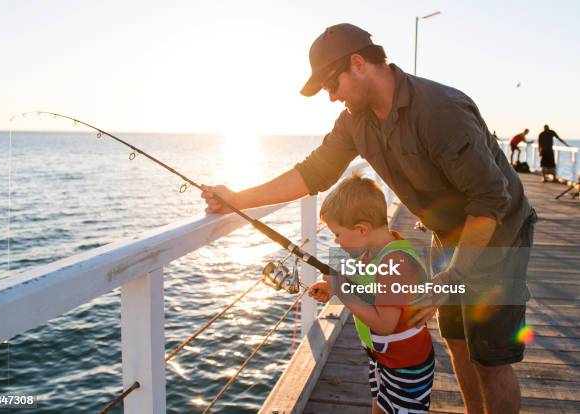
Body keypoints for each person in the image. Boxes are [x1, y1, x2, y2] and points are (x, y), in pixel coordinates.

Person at [202, 23, 537, 413]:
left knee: (490, 360)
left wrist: (454, 277)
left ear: (358, 64)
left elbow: (490, 198)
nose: (331, 97)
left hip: (497, 236)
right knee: (458, 342)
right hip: (447, 235)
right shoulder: (355, 120)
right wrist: (238, 198)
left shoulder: (440, 111)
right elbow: (314, 172)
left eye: (332, 84)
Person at [308, 172, 434, 414]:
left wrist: (342, 291)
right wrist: (334, 289)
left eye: (338, 234)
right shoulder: (373, 253)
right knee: (378, 405)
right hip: (383, 358)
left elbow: (385, 324)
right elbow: (367, 286)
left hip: (406, 367)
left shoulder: (394, 262)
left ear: (362, 230)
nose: (336, 242)